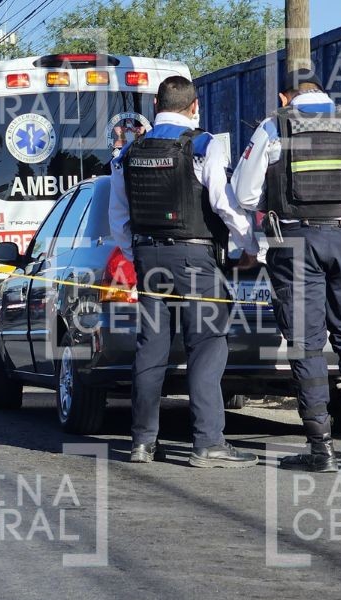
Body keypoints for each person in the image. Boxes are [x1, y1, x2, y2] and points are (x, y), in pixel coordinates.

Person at [230, 69, 341, 473]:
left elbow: (244, 194)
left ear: (285, 99)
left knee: (307, 345)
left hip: (294, 244)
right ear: (322, 93)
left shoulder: (273, 126)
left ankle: (321, 450)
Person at [110, 75, 259, 468]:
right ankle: (207, 443)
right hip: (195, 260)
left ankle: (142, 442)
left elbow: (118, 219)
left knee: (151, 348)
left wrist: (140, 253)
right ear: (194, 107)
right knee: (207, 347)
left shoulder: (128, 152)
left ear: (155, 106)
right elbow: (224, 204)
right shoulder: (204, 145)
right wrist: (250, 248)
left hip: (148, 259)